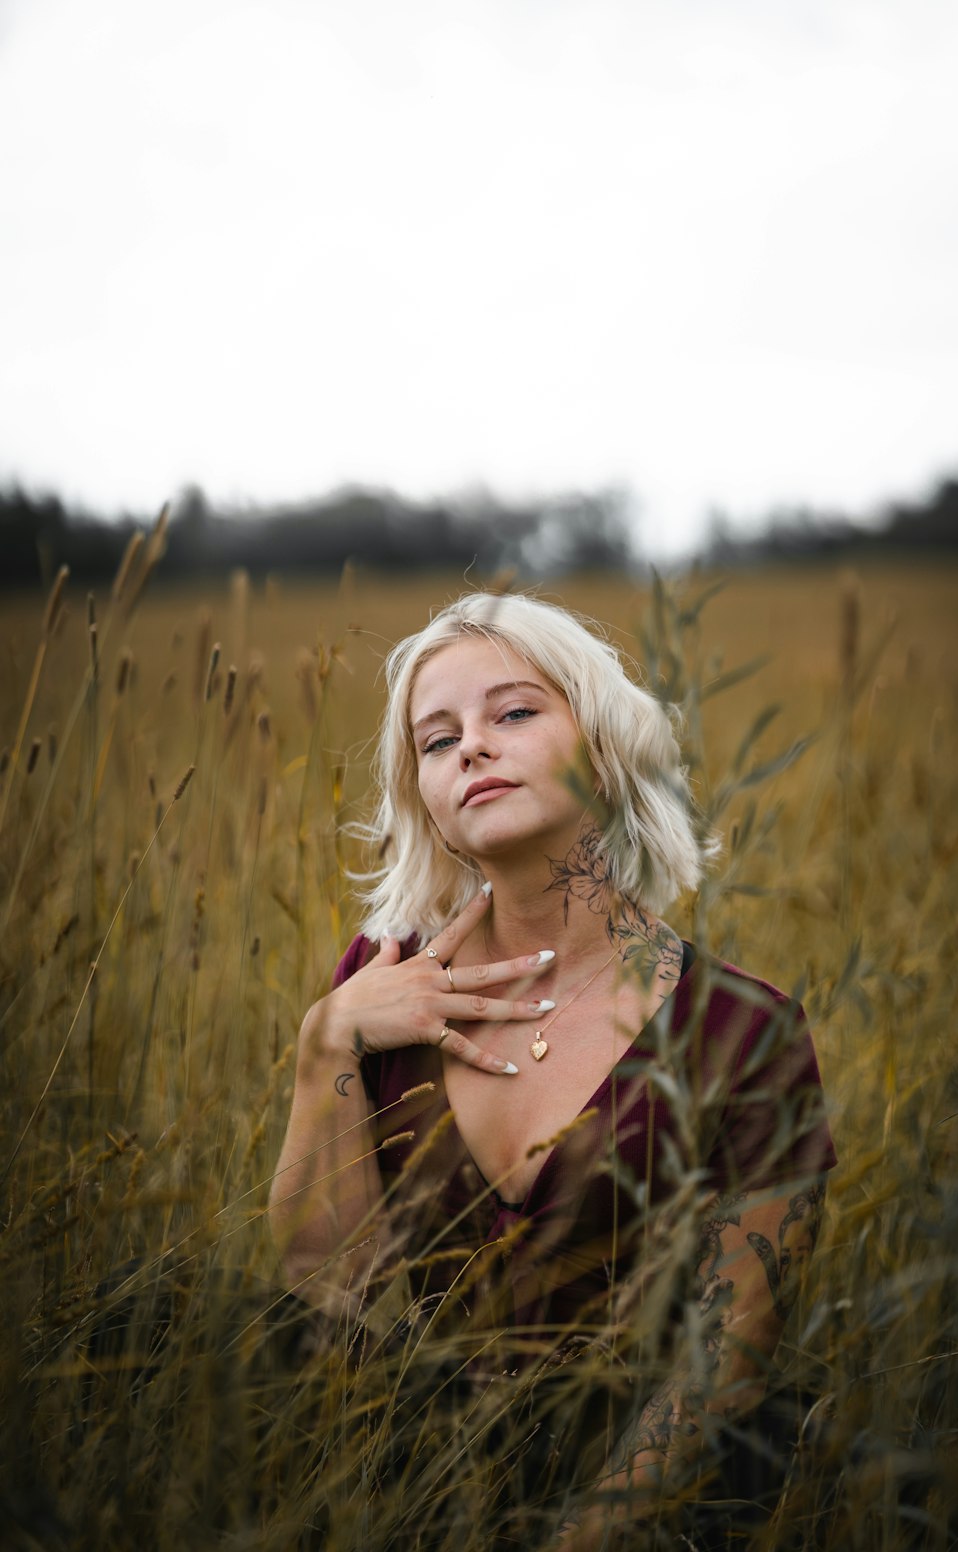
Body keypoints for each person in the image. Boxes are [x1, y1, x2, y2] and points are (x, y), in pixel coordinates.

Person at [269, 591, 836, 1549]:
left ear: (606, 749)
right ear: (430, 806)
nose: (471, 750)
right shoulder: (380, 987)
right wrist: (325, 1041)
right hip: (425, 1478)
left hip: (668, 1502)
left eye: (515, 712)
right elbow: (329, 1297)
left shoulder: (746, 1031)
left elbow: (723, 1363)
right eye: (437, 741)